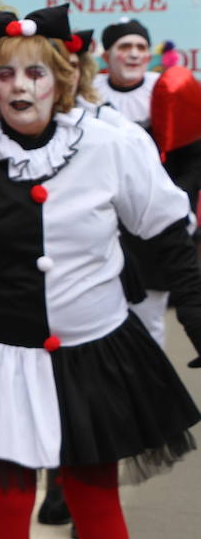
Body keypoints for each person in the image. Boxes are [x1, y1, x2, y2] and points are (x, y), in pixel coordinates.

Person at [0, 4, 201, 539]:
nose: (20, 86)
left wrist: (196, 310)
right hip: (0, 357)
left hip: (92, 350)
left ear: (62, 79)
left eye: (35, 73)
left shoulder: (110, 144)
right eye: (6, 73)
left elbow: (166, 230)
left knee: (93, 495)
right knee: (6, 499)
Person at [92, 18, 201, 347]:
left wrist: (180, 196)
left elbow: (193, 155)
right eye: (124, 47)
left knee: (150, 318)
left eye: (140, 47)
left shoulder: (168, 89)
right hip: (105, 221)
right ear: (107, 55)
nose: (134, 54)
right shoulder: (90, 95)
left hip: (152, 221)